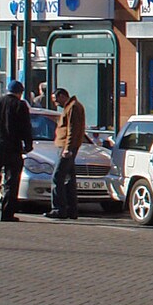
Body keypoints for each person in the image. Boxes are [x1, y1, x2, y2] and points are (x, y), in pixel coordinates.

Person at [0, 79, 34, 222]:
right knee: (11, 181)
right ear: (20, 93)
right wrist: (28, 145)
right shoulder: (20, 105)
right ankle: (7, 213)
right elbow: (25, 127)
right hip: (12, 148)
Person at [48, 87, 86, 219]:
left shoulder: (73, 107)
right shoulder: (71, 106)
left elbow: (72, 129)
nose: (55, 103)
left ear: (62, 96)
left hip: (66, 147)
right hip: (66, 146)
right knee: (69, 179)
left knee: (57, 177)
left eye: (56, 99)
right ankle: (71, 210)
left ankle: (58, 209)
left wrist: (67, 148)